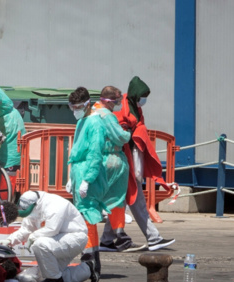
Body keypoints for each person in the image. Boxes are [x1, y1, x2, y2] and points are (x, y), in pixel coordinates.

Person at [102, 76, 176, 252]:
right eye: (142, 96)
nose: (144, 100)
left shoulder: (134, 108)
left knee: (121, 201)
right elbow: (119, 133)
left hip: (125, 161)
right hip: (122, 161)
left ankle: (106, 240)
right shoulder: (120, 110)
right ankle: (153, 238)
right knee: (132, 200)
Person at [0, 191, 99, 282]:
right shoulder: (32, 209)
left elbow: (52, 229)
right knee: (35, 276)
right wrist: (9, 241)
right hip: (56, 241)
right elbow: (26, 230)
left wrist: (33, 236)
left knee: (39, 244)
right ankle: (87, 269)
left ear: (36, 205)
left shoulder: (55, 205)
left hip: (74, 238)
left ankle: (54, 279)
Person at [65, 86, 108, 272]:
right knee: (82, 217)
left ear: (87, 104)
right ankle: (90, 259)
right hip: (79, 173)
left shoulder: (95, 123)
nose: (75, 110)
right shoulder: (82, 121)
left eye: (78, 107)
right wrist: (71, 178)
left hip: (88, 175)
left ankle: (90, 261)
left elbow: (95, 154)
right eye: (72, 107)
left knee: (88, 217)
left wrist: (87, 179)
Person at [93, 86, 133, 252]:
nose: (117, 104)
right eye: (117, 101)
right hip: (111, 159)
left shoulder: (92, 112)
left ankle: (106, 239)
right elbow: (120, 137)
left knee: (96, 199)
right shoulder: (108, 116)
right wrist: (128, 133)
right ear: (110, 100)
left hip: (95, 160)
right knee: (116, 198)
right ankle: (119, 234)